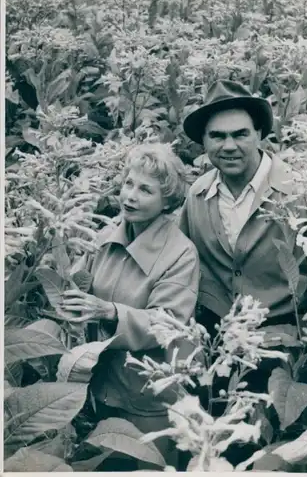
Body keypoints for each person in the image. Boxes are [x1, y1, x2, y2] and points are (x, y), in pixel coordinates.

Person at [180, 79, 307, 395]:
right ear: (204, 142)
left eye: (240, 134)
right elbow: (179, 263)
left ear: (260, 134)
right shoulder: (197, 195)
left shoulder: (299, 192)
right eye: (217, 136)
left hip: (284, 345)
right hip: (215, 344)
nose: (229, 146)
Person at [59, 143, 200, 470]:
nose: (131, 196)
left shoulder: (181, 254)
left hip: (146, 397)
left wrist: (108, 311)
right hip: (95, 388)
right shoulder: (107, 234)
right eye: (128, 184)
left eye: (145, 190)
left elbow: (168, 322)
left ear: (167, 201)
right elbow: (77, 285)